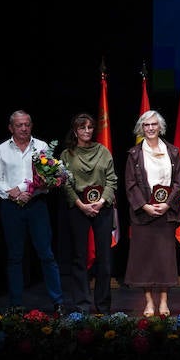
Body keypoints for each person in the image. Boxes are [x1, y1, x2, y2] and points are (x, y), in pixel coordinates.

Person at [0, 109, 65, 315]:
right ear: (11, 128)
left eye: (27, 124)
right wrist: (12, 194)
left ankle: (58, 302)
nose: (24, 128)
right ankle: (16, 304)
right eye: (19, 125)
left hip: (36, 206)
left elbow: (52, 176)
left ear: (31, 126)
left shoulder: (41, 147)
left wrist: (37, 190)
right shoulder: (1, 150)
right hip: (11, 208)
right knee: (15, 256)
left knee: (46, 254)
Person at [124, 110, 180, 317]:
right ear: (142, 127)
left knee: (164, 259)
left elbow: (178, 182)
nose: (150, 128)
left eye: (154, 124)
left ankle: (164, 301)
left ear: (160, 127)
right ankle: (149, 302)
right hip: (144, 215)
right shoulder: (134, 154)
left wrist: (167, 204)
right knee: (145, 260)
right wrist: (144, 206)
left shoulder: (173, 151)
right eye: (146, 125)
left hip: (166, 214)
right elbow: (130, 185)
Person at [58, 112, 118, 315]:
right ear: (75, 131)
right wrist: (81, 205)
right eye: (82, 127)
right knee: (79, 257)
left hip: (102, 207)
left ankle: (103, 306)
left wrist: (101, 202)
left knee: (105, 258)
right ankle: (81, 306)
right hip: (78, 208)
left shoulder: (103, 151)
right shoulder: (67, 154)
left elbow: (112, 180)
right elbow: (65, 184)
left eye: (90, 127)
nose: (86, 131)